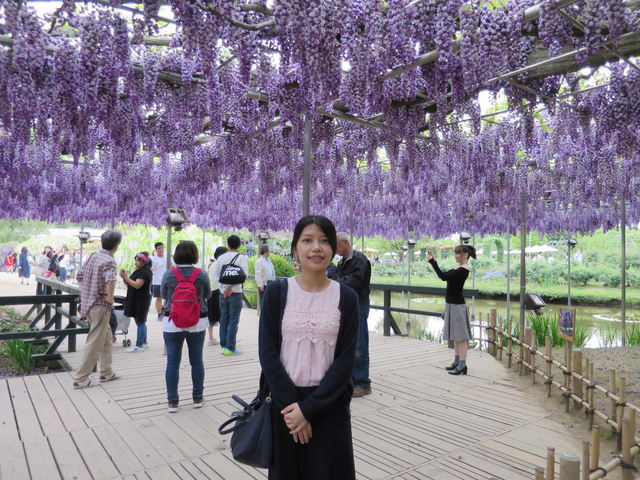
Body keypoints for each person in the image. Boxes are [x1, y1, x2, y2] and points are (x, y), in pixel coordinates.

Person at [258, 215, 359, 480]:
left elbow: (346, 361)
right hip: (285, 407)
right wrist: (294, 407)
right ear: (295, 248)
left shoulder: (346, 297)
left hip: (329, 405)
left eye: (325, 241)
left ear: (333, 250)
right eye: (307, 240)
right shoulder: (277, 292)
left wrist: (310, 408)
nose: (316, 248)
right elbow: (267, 353)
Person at [161, 241, 212, 413]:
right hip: (197, 321)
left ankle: (172, 402)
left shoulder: (169, 275)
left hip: (172, 321)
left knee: (172, 363)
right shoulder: (202, 274)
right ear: (195, 256)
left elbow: (163, 295)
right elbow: (208, 295)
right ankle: (197, 398)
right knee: (196, 360)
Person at [73, 230, 122, 388]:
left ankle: (106, 372)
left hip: (89, 306)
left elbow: (79, 276)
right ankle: (81, 378)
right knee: (94, 342)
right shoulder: (109, 260)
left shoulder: (93, 256)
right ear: (116, 245)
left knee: (107, 339)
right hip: (100, 306)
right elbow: (111, 279)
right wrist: (109, 296)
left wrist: (89, 290)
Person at [427, 245, 476, 376]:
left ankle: (462, 364)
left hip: (457, 305)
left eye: (457, 254)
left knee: (461, 337)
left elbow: (443, 277)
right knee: (455, 336)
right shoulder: (458, 268)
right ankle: (456, 362)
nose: (455, 256)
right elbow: (443, 275)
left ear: (465, 255)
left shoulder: (463, 270)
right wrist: (434, 262)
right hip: (452, 304)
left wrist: (433, 263)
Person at [335, 232, 372, 397]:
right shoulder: (342, 261)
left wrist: (335, 284)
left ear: (344, 242)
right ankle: (350, 380)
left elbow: (353, 282)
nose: (334, 249)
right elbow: (338, 279)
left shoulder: (359, 259)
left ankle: (363, 383)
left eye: (336, 245)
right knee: (348, 343)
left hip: (359, 305)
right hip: (347, 306)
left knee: (360, 345)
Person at [212, 235, 249, 356]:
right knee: (233, 321)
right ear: (239, 245)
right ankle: (230, 347)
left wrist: (224, 289)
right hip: (236, 293)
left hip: (223, 294)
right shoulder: (241, 258)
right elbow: (245, 275)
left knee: (223, 319)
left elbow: (215, 275)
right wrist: (232, 289)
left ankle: (224, 346)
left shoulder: (221, 258)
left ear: (228, 245)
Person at [120, 252, 153, 353]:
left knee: (140, 322)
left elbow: (137, 284)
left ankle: (139, 345)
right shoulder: (139, 271)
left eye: (138, 261)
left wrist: (125, 277)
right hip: (136, 299)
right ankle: (144, 342)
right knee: (141, 321)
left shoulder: (144, 272)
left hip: (141, 300)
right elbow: (130, 282)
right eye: (136, 260)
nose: (136, 262)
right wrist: (124, 277)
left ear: (144, 262)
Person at [206, 246, 228, 346]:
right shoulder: (219, 264)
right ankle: (226, 337)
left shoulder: (213, 264)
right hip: (217, 291)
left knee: (211, 315)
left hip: (211, 291)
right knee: (223, 315)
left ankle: (211, 337)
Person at [151, 242, 175, 321]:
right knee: (159, 298)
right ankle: (159, 314)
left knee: (168, 297)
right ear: (156, 250)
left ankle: (164, 308)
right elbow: (151, 270)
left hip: (168, 280)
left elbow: (173, 266)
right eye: (159, 248)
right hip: (157, 281)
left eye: (162, 248)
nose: (161, 249)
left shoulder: (168, 257)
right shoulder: (153, 259)